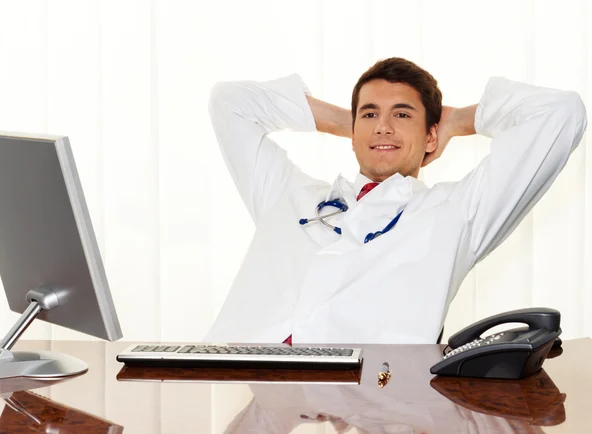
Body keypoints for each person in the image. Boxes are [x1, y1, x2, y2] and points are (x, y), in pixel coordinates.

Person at [204, 57, 587, 345]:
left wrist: (456, 122)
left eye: (402, 114)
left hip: (363, 404)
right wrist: (351, 123)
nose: (383, 125)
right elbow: (230, 102)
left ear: (431, 138)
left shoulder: (456, 213)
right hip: (234, 380)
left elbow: (560, 113)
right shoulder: (287, 194)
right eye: (370, 113)